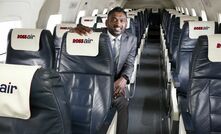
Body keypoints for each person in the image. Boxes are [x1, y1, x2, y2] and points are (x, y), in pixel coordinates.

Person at [70, 7, 137, 134]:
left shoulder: (131, 39)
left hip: (116, 84)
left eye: (122, 20)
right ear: (106, 22)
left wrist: (124, 78)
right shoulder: (94, 35)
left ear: (126, 23)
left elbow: (129, 63)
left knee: (123, 104)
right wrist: (75, 29)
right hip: (95, 84)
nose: (118, 24)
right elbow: (75, 35)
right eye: (114, 20)